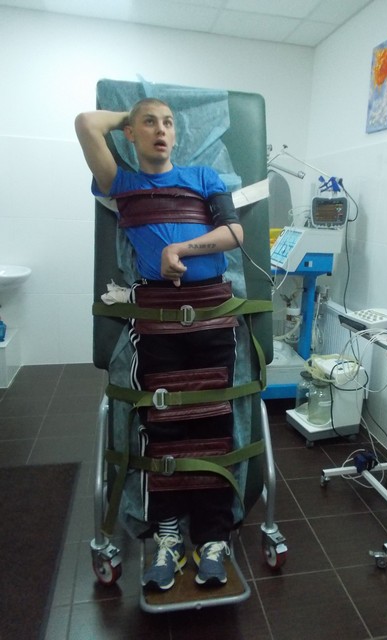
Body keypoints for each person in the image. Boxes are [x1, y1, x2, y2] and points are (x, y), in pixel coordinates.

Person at [75, 98, 244, 591]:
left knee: (214, 420)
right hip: (157, 318)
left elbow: (234, 232)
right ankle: (168, 536)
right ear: (131, 133)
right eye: (149, 123)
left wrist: (180, 248)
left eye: (168, 122)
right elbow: (86, 123)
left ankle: (213, 537)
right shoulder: (121, 183)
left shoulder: (203, 177)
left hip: (212, 312)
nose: (161, 130)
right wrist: (127, 116)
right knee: (162, 423)